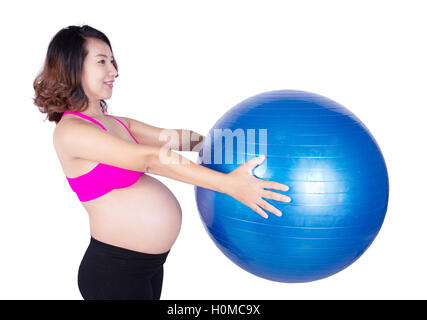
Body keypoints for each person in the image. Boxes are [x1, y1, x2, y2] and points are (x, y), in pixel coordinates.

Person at [33, 25, 291, 300]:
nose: (114, 71)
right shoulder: (71, 131)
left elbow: (169, 138)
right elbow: (149, 159)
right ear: (72, 68)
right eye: (101, 61)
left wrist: (229, 147)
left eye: (112, 60)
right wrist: (228, 185)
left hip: (147, 265)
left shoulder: (114, 123)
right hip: (114, 272)